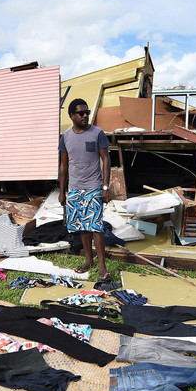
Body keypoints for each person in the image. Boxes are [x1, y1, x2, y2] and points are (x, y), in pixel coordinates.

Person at [59, 98, 111, 282]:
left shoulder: (97, 133)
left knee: (96, 227)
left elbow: (106, 160)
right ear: (71, 115)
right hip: (74, 189)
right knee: (82, 227)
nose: (85, 115)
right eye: (81, 113)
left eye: (87, 112)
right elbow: (64, 166)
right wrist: (62, 191)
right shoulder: (65, 137)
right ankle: (89, 261)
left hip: (93, 187)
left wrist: (105, 187)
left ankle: (102, 266)